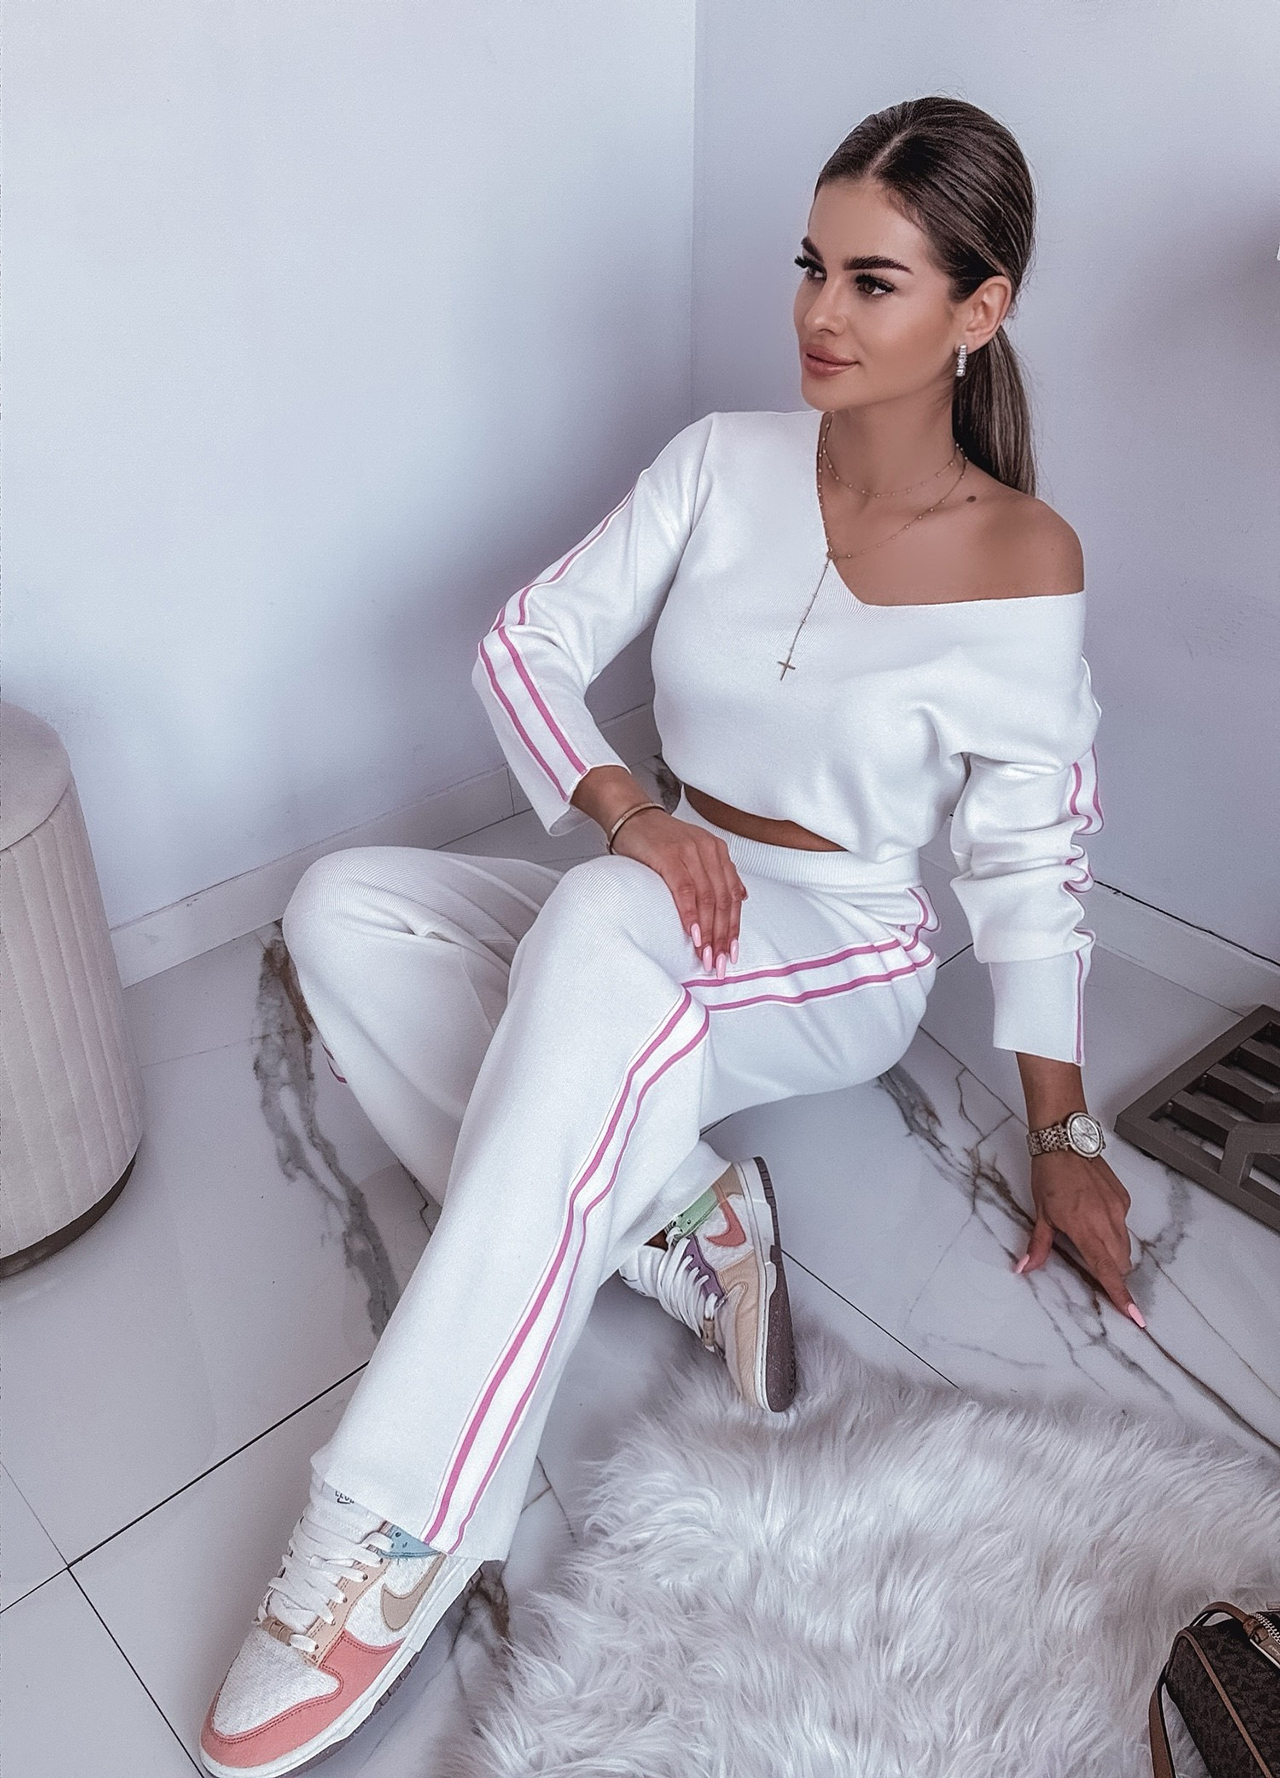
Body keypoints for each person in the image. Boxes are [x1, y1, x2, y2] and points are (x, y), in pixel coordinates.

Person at [198, 94, 1140, 1777]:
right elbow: (523, 645)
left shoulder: (1023, 560)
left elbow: (1031, 864)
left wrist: (1063, 1135)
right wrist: (634, 809)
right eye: (810, 265)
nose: (818, 313)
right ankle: (691, 1210)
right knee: (344, 908)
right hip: (666, 876)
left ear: (978, 310)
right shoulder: (721, 463)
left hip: (842, 937)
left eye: (873, 282)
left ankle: (401, 1517)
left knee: (597, 923)